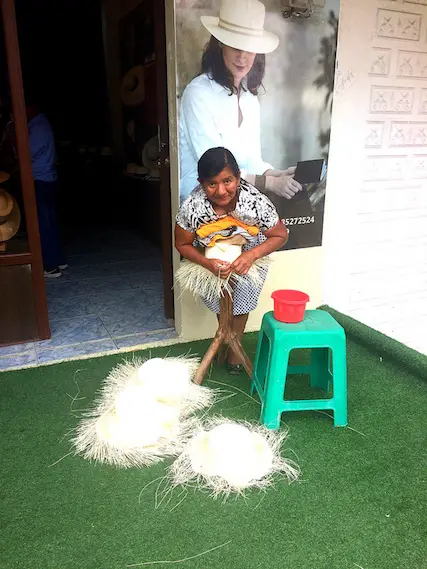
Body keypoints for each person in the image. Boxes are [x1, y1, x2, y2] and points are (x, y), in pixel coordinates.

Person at [175, 147, 288, 374]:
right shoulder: (193, 206)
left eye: (228, 181)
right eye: (212, 184)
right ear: (201, 182)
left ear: (238, 177)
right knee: (220, 299)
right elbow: (182, 244)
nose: (221, 190)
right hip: (212, 249)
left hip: (249, 247)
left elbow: (280, 235)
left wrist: (251, 255)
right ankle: (225, 335)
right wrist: (207, 264)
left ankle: (234, 348)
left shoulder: (255, 201)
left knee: (243, 297)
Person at [178, 0, 303, 203]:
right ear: (220, 45)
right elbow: (214, 167)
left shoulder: (249, 100)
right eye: (235, 46)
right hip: (200, 208)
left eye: (250, 49)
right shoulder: (198, 94)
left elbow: (251, 160)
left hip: (238, 204)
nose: (242, 57)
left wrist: (277, 174)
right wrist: (269, 183)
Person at [26, 100, 67, 278]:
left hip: (41, 180)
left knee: (43, 224)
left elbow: (26, 152)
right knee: (49, 221)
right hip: (48, 178)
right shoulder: (41, 124)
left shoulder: (37, 127)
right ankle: (57, 259)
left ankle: (50, 266)